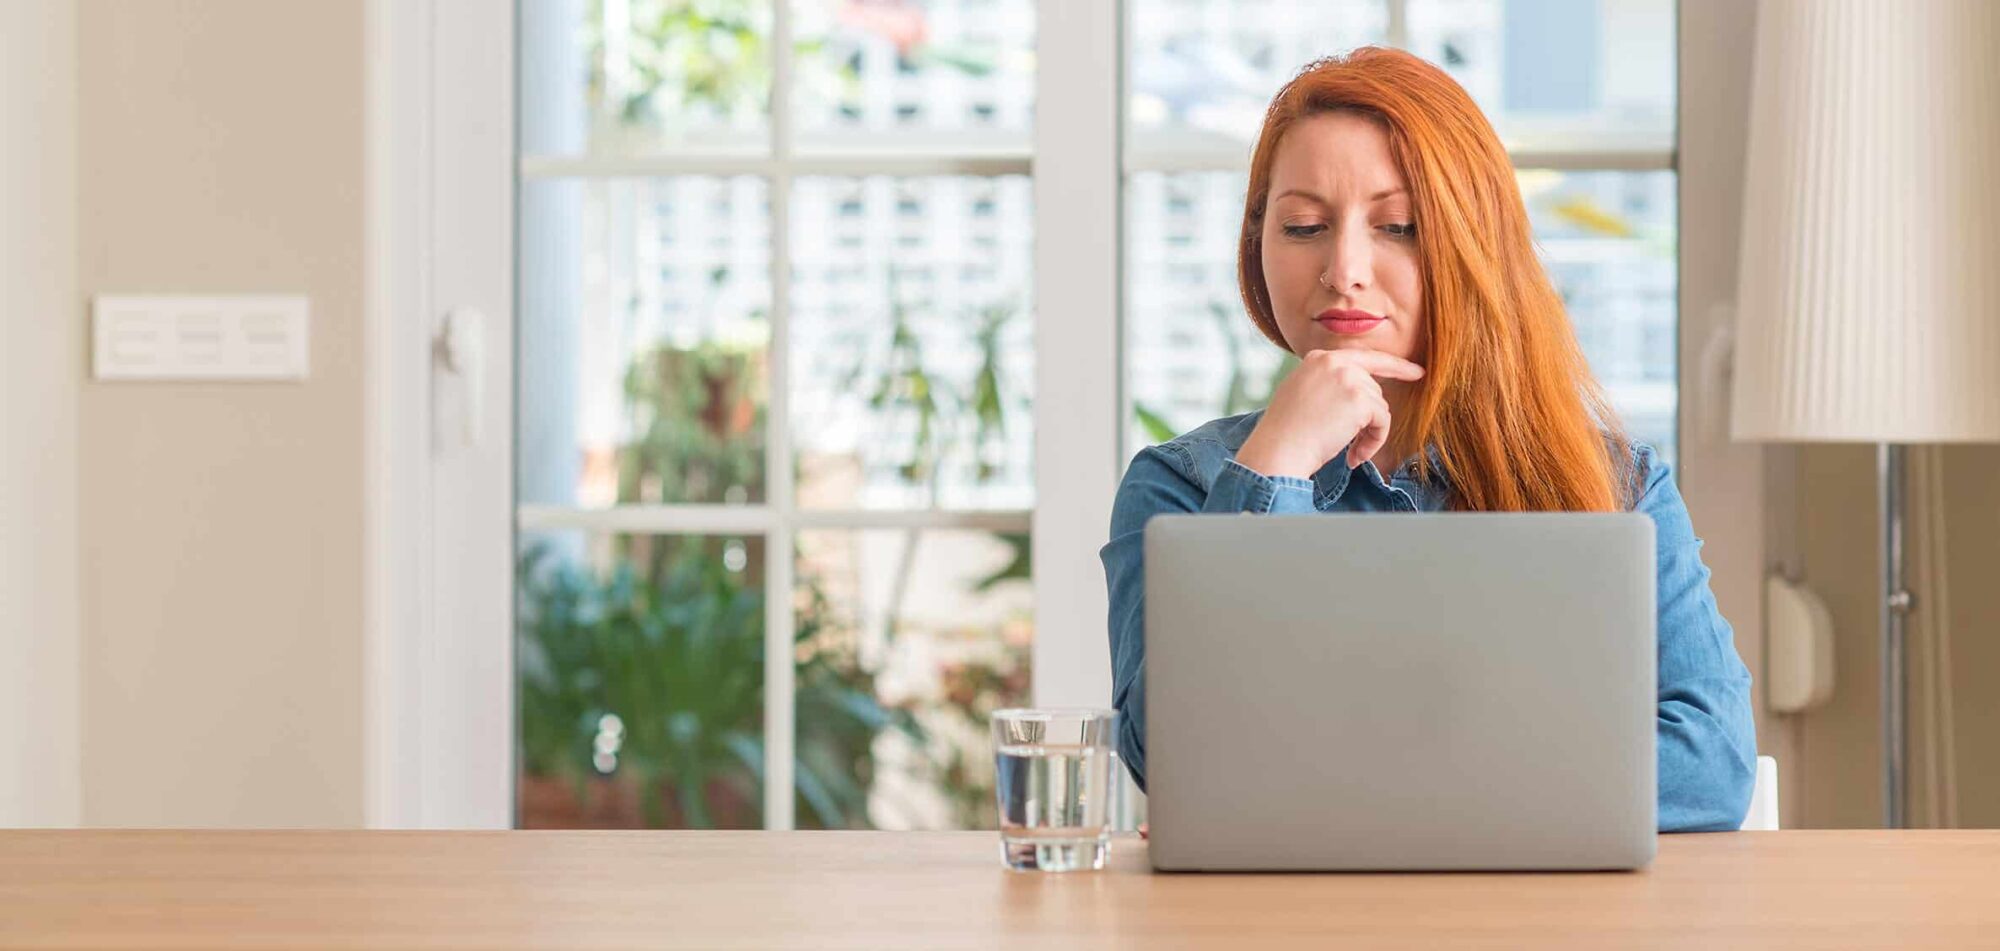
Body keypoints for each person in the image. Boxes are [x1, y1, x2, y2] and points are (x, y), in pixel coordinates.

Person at [1100, 47, 1757, 833]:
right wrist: (1272, 469)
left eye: (1398, 226)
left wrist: (1336, 794)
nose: (1344, 269)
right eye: (1304, 225)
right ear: (1257, 242)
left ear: (1472, 244)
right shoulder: (1179, 487)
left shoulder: (1614, 482)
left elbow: (1710, 763)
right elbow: (1179, 762)